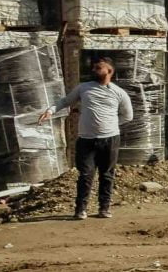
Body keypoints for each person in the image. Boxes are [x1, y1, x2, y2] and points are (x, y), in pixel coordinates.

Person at [56, 55, 134, 221]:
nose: (94, 70)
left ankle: (104, 208)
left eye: (98, 68)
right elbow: (65, 101)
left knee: (107, 175)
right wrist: (50, 111)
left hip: (110, 139)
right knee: (85, 174)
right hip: (86, 140)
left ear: (109, 71)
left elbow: (128, 116)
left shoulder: (119, 93)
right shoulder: (84, 88)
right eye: (94, 68)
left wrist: (111, 125)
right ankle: (80, 209)